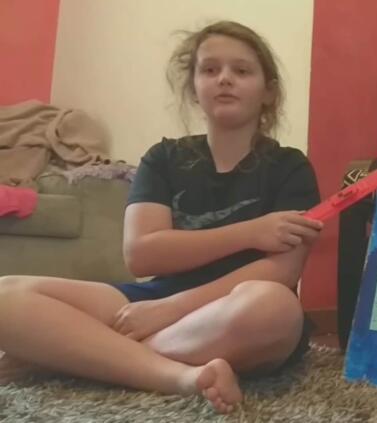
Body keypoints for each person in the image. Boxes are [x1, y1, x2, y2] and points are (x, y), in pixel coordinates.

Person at [0, 20, 323, 414]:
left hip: (234, 310)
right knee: (6, 296)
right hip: (152, 298)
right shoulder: (164, 158)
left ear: (267, 91)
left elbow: (282, 272)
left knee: (275, 308)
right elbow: (142, 255)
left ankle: (80, 355)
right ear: (193, 87)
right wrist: (250, 232)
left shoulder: (290, 167)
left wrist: (173, 310)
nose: (224, 79)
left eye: (241, 70)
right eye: (210, 69)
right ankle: (178, 376)